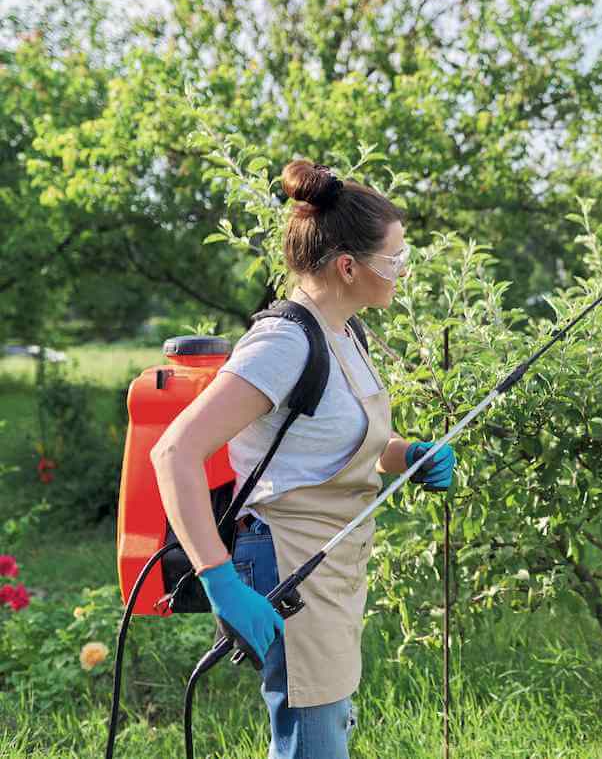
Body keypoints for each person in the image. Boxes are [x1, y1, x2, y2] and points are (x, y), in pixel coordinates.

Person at [150, 160, 456, 758]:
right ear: (348, 266)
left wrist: (406, 456)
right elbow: (175, 452)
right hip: (287, 563)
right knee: (312, 745)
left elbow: (324, 447)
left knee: (319, 734)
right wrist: (221, 582)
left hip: (330, 563)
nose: (402, 272)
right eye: (394, 260)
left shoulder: (345, 332)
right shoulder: (286, 342)